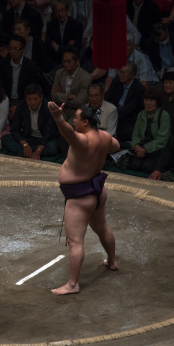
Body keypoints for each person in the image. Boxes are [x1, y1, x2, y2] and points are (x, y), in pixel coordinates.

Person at [47, 102, 120, 295]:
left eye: (76, 118)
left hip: (80, 198)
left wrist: (58, 117)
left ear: (85, 122)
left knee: (75, 242)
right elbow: (116, 145)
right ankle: (112, 261)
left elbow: (69, 134)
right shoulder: (104, 137)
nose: (73, 121)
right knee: (102, 228)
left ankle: (72, 284)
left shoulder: (84, 141)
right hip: (96, 192)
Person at [1, 83, 60, 160]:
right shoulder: (21, 106)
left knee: (53, 147)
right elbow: (14, 128)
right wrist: (25, 145)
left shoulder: (48, 107)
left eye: (35, 99)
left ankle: (26, 152)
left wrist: (39, 150)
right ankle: (28, 151)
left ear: (41, 97)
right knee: (6, 138)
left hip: (45, 140)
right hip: (28, 138)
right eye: (29, 99)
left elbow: (49, 132)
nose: (32, 102)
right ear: (26, 98)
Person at [130, 87, 171, 173]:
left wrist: (145, 149)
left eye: (151, 100)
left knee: (147, 167)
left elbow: (162, 139)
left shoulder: (164, 115)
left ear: (157, 102)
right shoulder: (141, 114)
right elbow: (135, 134)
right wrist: (136, 146)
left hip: (157, 149)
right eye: (146, 100)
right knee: (135, 165)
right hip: (142, 146)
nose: (148, 103)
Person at [104, 61, 145, 144]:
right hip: (112, 114)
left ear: (132, 75)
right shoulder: (116, 82)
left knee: (126, 132)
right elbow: (107, 98)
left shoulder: (139, 89)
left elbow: (129, 109)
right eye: (119, 71)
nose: (120, 74)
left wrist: (111, 113)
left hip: (127, 120)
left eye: (123, 72)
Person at [0, 35, 40, 110]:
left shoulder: (31, 66)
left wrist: (20, 106)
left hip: (24, 103)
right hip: (5, 101)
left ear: (23, 49)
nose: (12, 51)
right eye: (10, 48)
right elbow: (0, 85)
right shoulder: (3, 64)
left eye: (16, 49)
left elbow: (32, 89)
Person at [45, 0, 84, 66]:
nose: (60, 13)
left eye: (62, 10)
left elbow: (75, 48)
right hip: (54, 61)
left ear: (67, 11)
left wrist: (57, 47)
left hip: (71, 61)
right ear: (54, 13)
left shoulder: (76, 25)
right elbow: (48, 45)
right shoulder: (50, 25)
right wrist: (67, 46)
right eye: (57, 11)